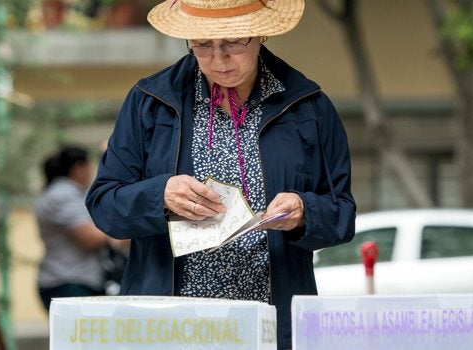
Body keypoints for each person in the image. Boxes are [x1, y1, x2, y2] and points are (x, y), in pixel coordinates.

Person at [84, 1, 356, 348]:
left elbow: (342, 214)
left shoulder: (308, 107)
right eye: (202, 45)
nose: (218, 59)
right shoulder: (149, 102)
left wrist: (304, 211)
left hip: (270, 324)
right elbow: (104, 205)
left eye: (233, 42)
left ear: (261, 33)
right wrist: (160, 196)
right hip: (169, 327)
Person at [36, 145, 125, 311]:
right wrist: (128, 230)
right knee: (76, 336)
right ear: (79, 168)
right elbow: (90, 239)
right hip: (67, 281)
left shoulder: (73, 193)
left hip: (78, 279)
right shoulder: (62, 195)